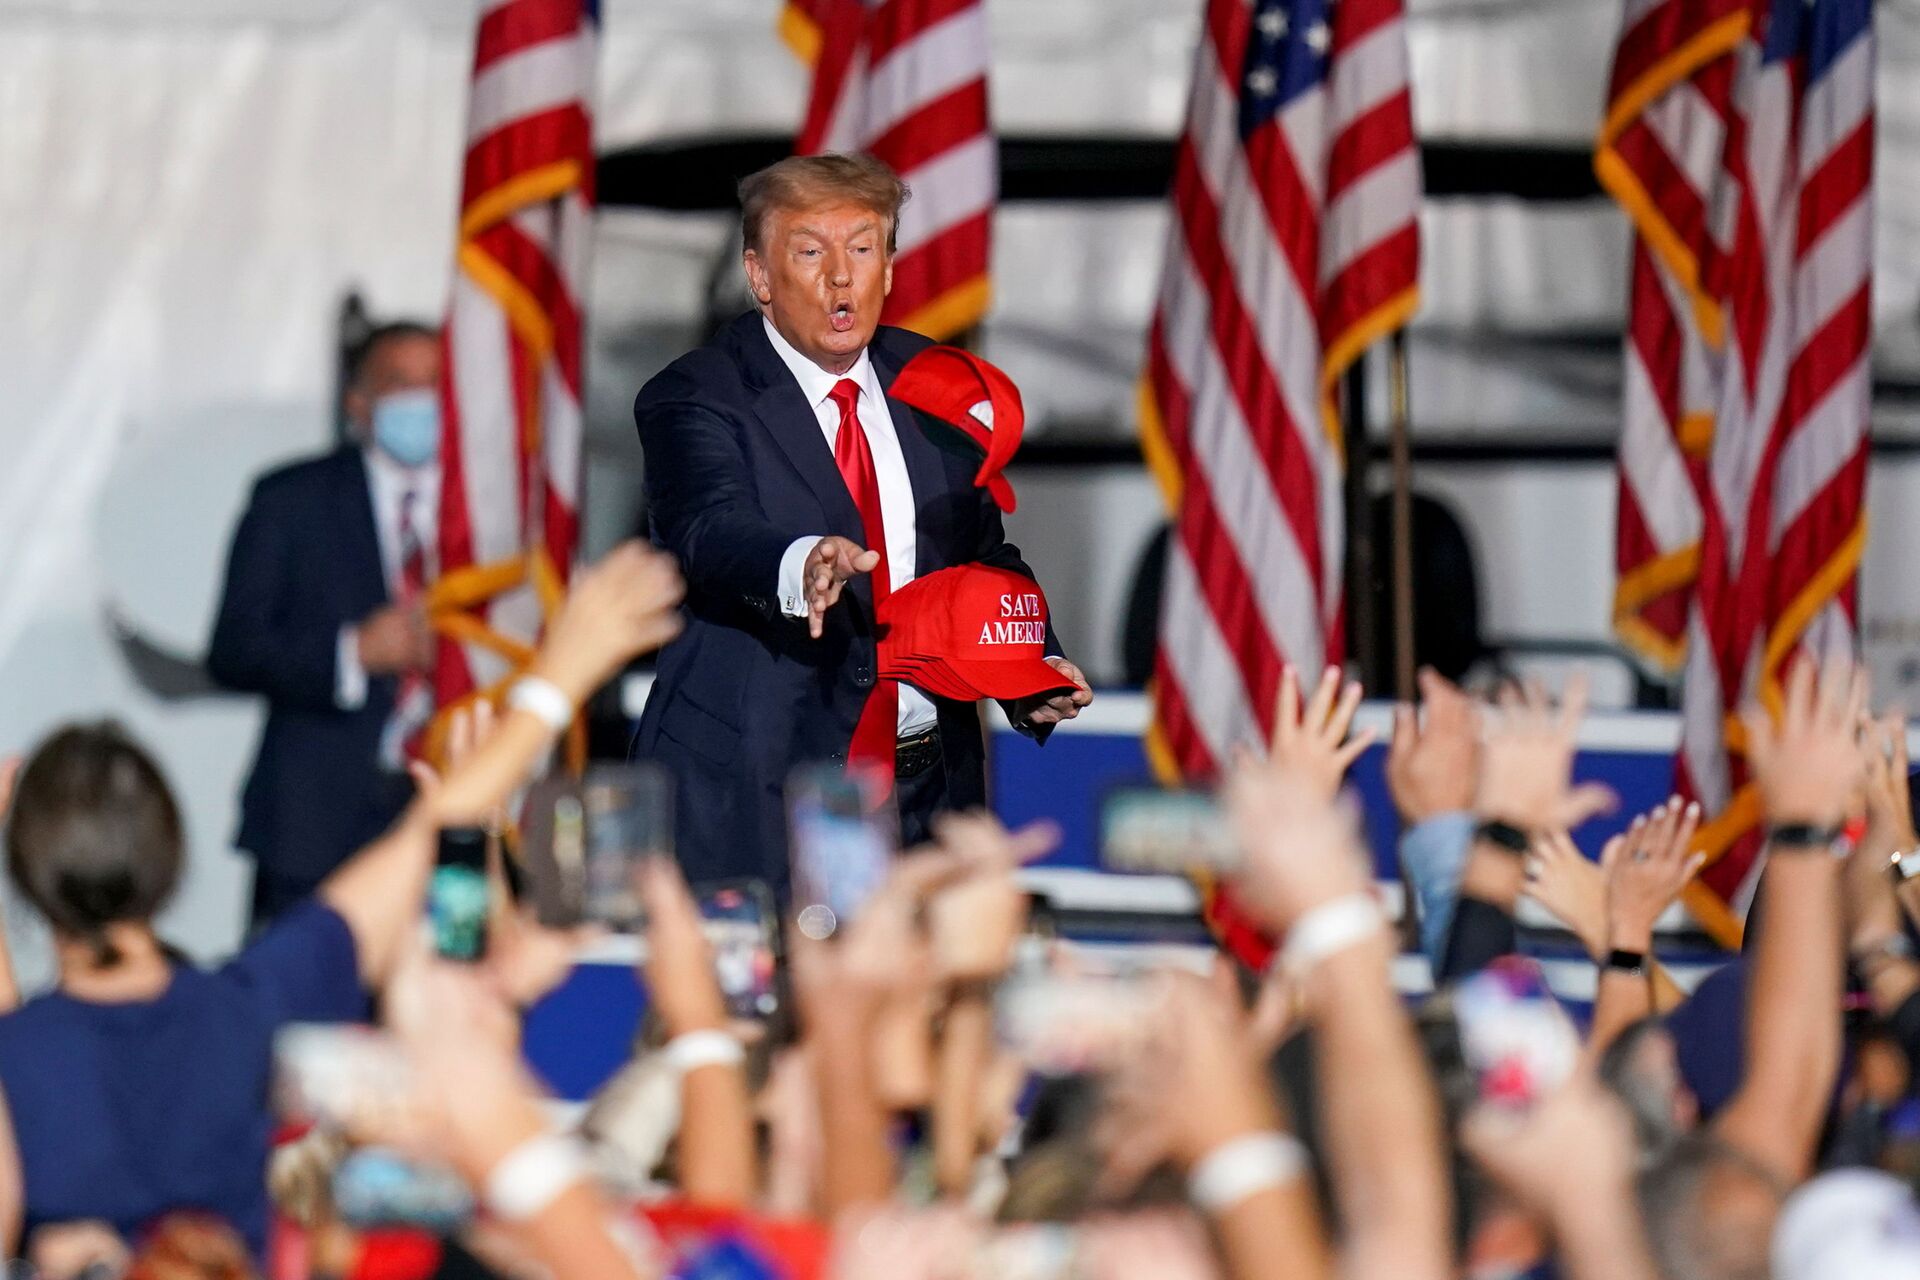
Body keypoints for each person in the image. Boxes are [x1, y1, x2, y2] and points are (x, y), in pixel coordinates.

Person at [0, 543, 686, 1265]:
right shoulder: (253, 1007)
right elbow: (425, 835)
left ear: (32, 881)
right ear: (169, 860)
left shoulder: (20, 1061)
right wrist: (560, 672)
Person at [631, 151, 1092, 890]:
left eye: (863, 248)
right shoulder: (694, 395)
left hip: (925, 796)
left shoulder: (938, 384)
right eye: (811, 252)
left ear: (888, 264)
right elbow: (709, 532)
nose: (841, 277)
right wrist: (801, 564)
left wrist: (1028, 665)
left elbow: (979, 552)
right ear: (759, 277)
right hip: (765, 788)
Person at [207, 322, 446, 925]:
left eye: (436, 383)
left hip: (450, 807)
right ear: (358, 402)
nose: (422, 400)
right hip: (313, 822)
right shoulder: (291, 498)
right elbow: (234, 647)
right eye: (401, 384)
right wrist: (351, 653)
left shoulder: (495, 509)